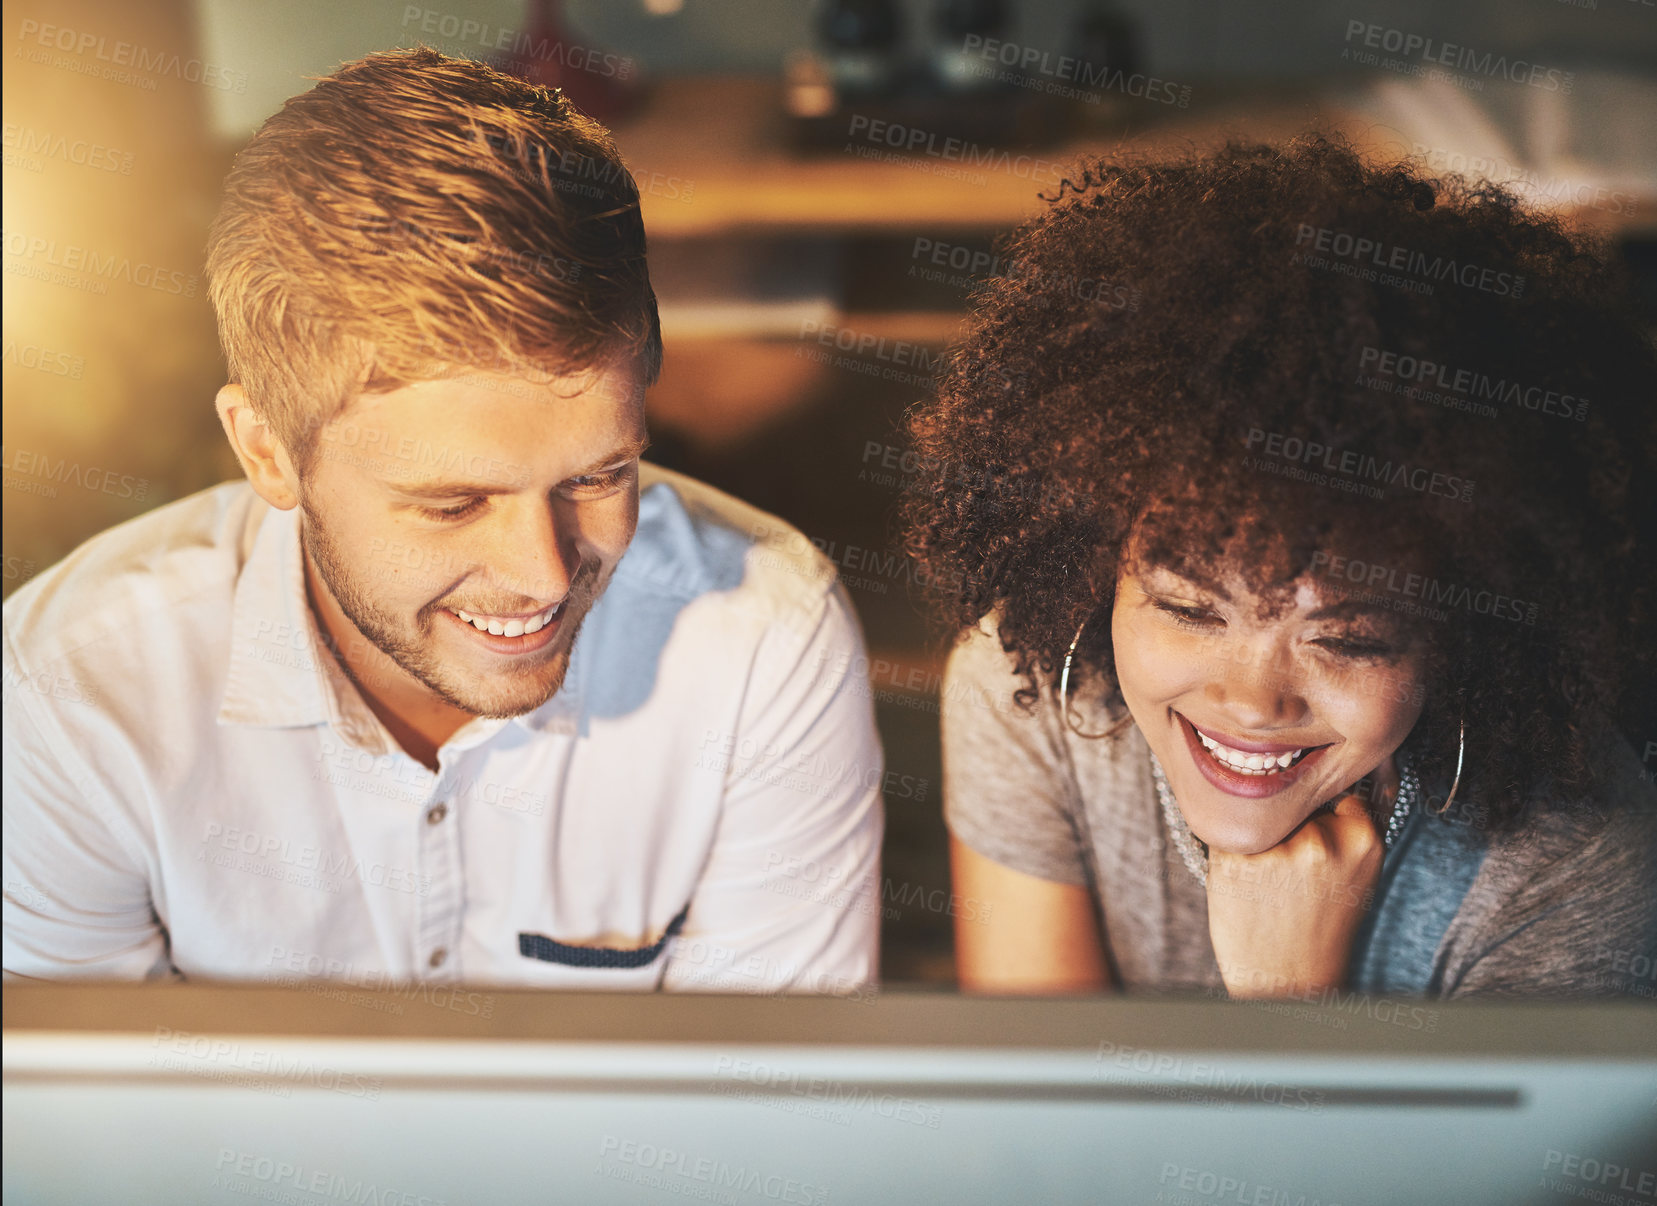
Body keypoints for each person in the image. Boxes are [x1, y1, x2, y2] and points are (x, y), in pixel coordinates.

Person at [2, 48, 883, 994]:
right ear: (267, 451)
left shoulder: (765, 648)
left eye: (597, 476)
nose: (542, 575)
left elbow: (760, 1124)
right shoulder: (72, 692)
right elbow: (91, 1129)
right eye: (452, 503)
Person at [903, 135, 1656, 1001]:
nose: (1255, 701)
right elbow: (1035, 1122)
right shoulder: (1022, 694)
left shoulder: (1577, 862)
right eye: (1189, 609)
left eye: (1347, 641)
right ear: (1095, 567)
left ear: (1465, 633)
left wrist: (1287, 1004)